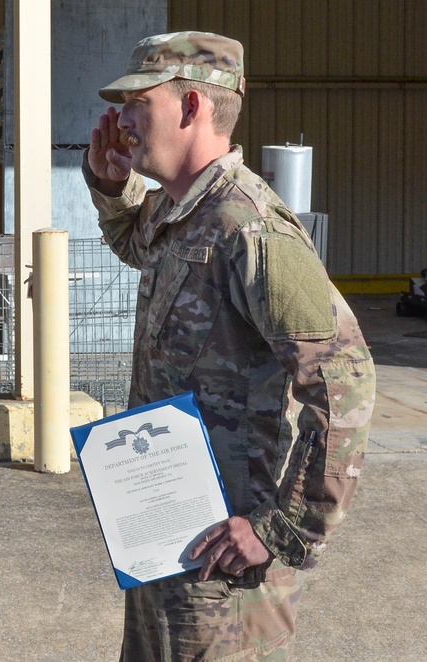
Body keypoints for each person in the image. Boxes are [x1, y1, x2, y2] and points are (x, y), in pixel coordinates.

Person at [83, 32, 376, 659]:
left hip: (224, 563)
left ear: (191, 108)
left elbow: (345, 384)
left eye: (140, 102)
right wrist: (115, 190)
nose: (123, 120)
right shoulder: (179, 208)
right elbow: (139, 248)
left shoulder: (251, 228)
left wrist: (286, 529)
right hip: (165, 531)